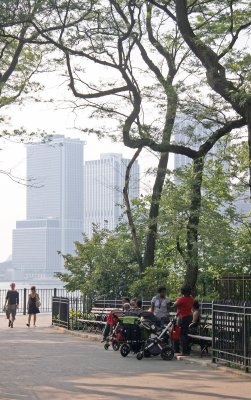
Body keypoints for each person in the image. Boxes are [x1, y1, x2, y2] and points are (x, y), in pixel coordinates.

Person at [172, 285, 194, 355]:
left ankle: (184, 352)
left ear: (183, 291)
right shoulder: (191, 298)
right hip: (189, 316)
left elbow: (174, 305)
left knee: (182, 334)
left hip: (183, 317)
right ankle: (187, 351)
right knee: (185, 334)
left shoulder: (182, 299)